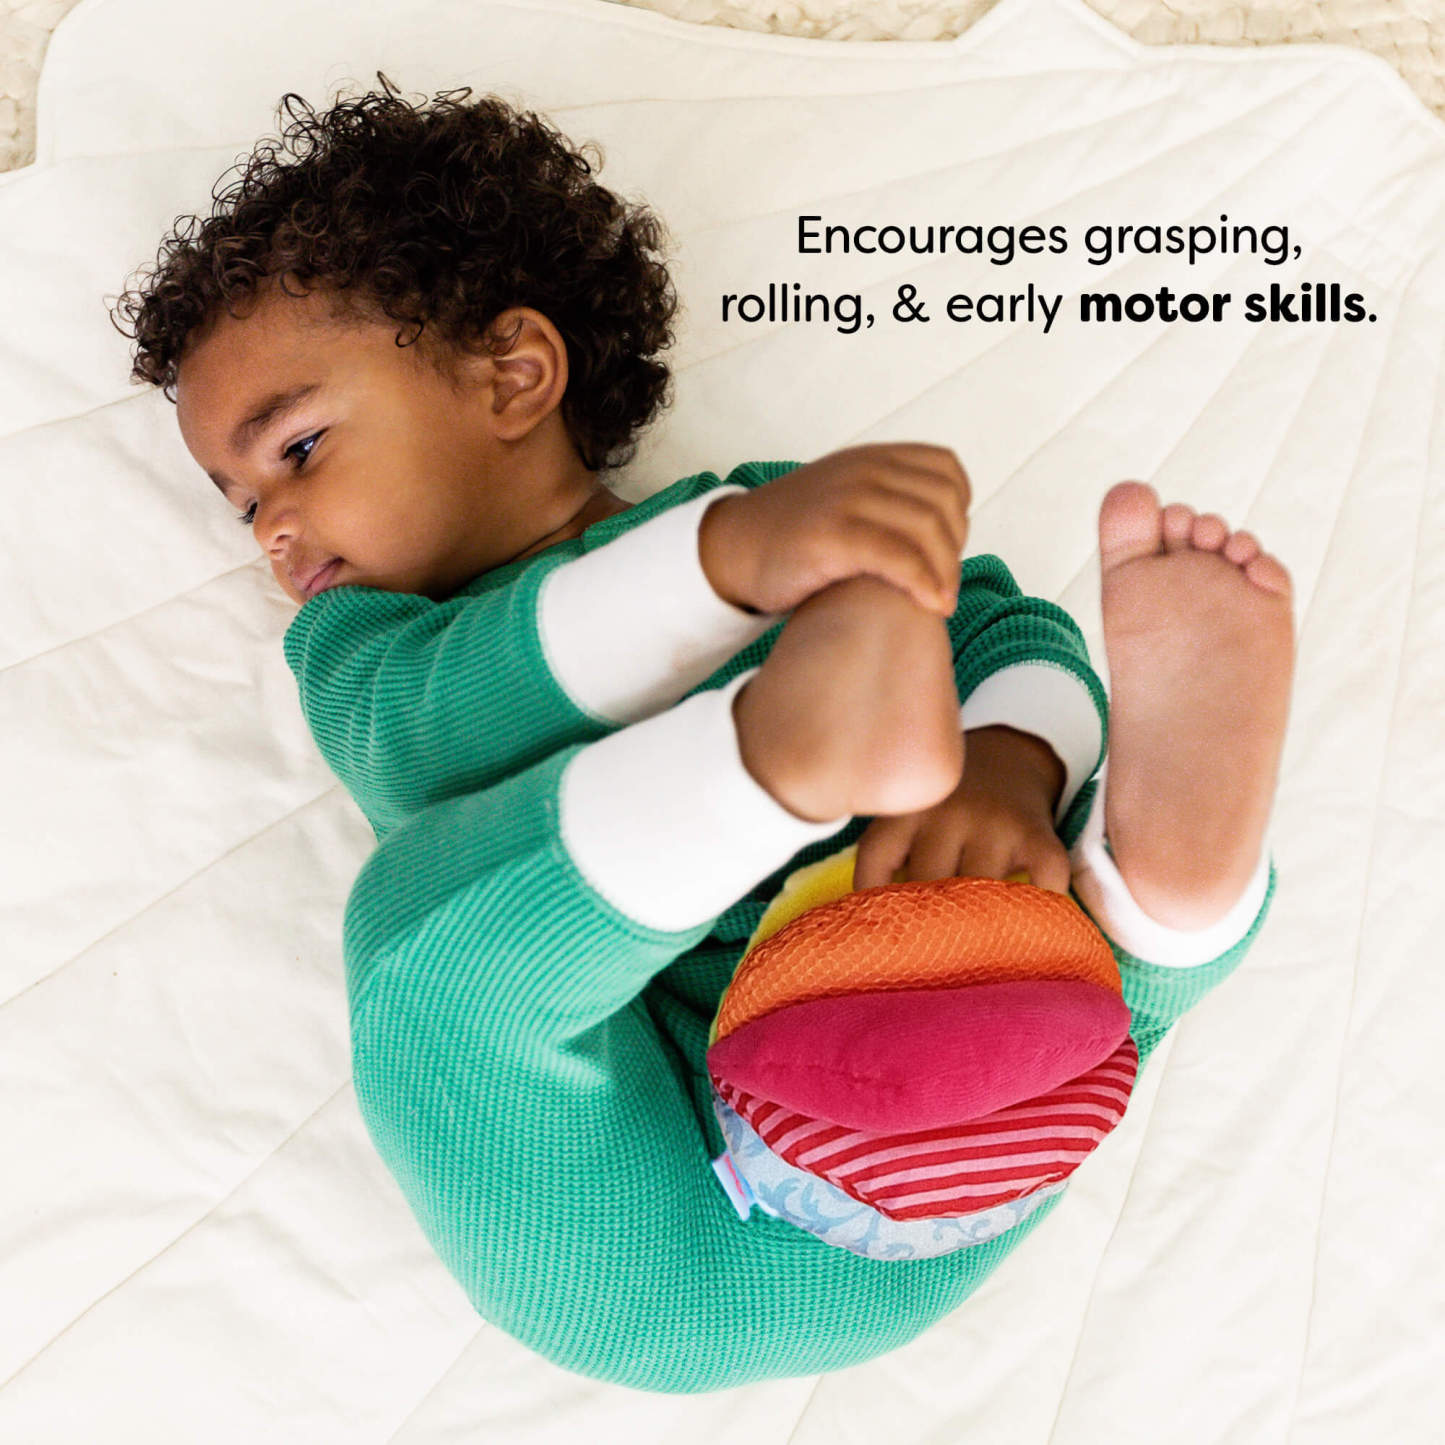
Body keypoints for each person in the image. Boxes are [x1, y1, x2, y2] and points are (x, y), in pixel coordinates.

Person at [108, 77, 1294, 1393]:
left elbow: (1005, 629)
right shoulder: (373, 648)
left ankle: (1155, 905)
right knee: (433, 946)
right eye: (239, 504)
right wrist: (725, 564)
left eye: (300, 445)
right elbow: (426, 748)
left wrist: (1010, 780)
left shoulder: (788, 519)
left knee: (431, 962)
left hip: (958, 1079)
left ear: (514, 376)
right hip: (684, 1226)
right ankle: (1117, 898)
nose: (273, 527)